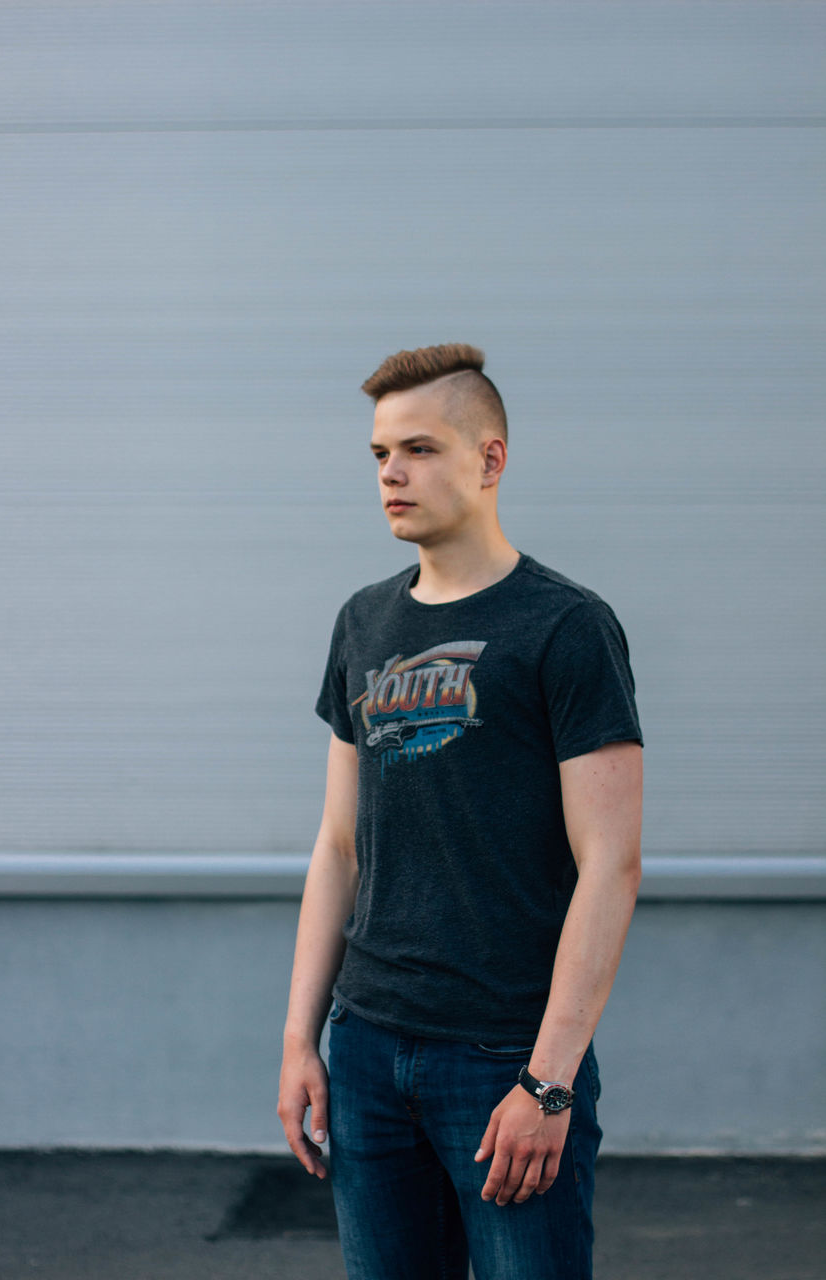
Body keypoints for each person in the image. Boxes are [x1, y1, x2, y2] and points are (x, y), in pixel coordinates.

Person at [278, 343, 643, 1279]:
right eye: (377, 454)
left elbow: (611, 864)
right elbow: (337, 845)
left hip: (502, 1057)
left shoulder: (565, 627)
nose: (391, 473)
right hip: (365, 1047)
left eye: (419, 448)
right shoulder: (363, 623)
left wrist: (548, 1083)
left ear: (490, 459)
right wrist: (300, 1041)